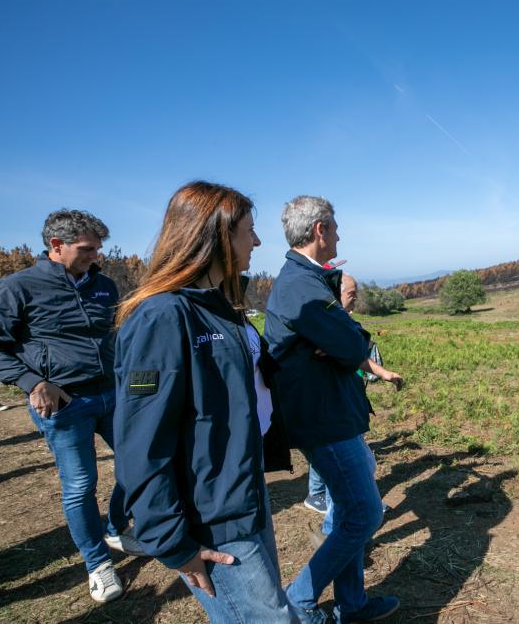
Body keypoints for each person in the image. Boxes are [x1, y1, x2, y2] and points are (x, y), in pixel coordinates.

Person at [112, 181, 303, 623]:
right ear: (214, 235)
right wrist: (174, 544)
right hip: (211, 519)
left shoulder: (219, 307)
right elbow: (141, 444)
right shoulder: (162, 316)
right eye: (248, 231)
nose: (257, 241)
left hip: (244, 495)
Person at [0, 209, 141, 603]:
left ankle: (118, 526)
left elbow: (117, 335)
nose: (96, 256)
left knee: (139, 465)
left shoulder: (104, 285)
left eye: (98, 248)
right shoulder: (16, 288)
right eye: (87, 249)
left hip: (112, 392)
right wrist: (32, 382)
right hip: (65, 403)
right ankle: (97, 562)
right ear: (56, 246)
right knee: (80, 485)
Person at [265, 195, 401, 624]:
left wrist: (341, 338)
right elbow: (352, 342)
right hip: (323, 418)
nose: (340, 234)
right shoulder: (299, 285)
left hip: (332, 412)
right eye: (335, 227)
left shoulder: (309, 280)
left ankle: (353, 605)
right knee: (365, 513)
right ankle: (301, 599)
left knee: (347, 511)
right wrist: (344, 341)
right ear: (320, 230)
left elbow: (345, 335)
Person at [304, 273, 398, 521]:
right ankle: (338, 527)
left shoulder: (339, 323)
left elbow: (356, 351)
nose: (356, 299)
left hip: (345, 407)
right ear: (335, 295)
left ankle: (340, 524)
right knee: (355, 467)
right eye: (352, 294)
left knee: (360, 465)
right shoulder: (323, 326)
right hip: (333, 410)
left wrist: (383, 373)